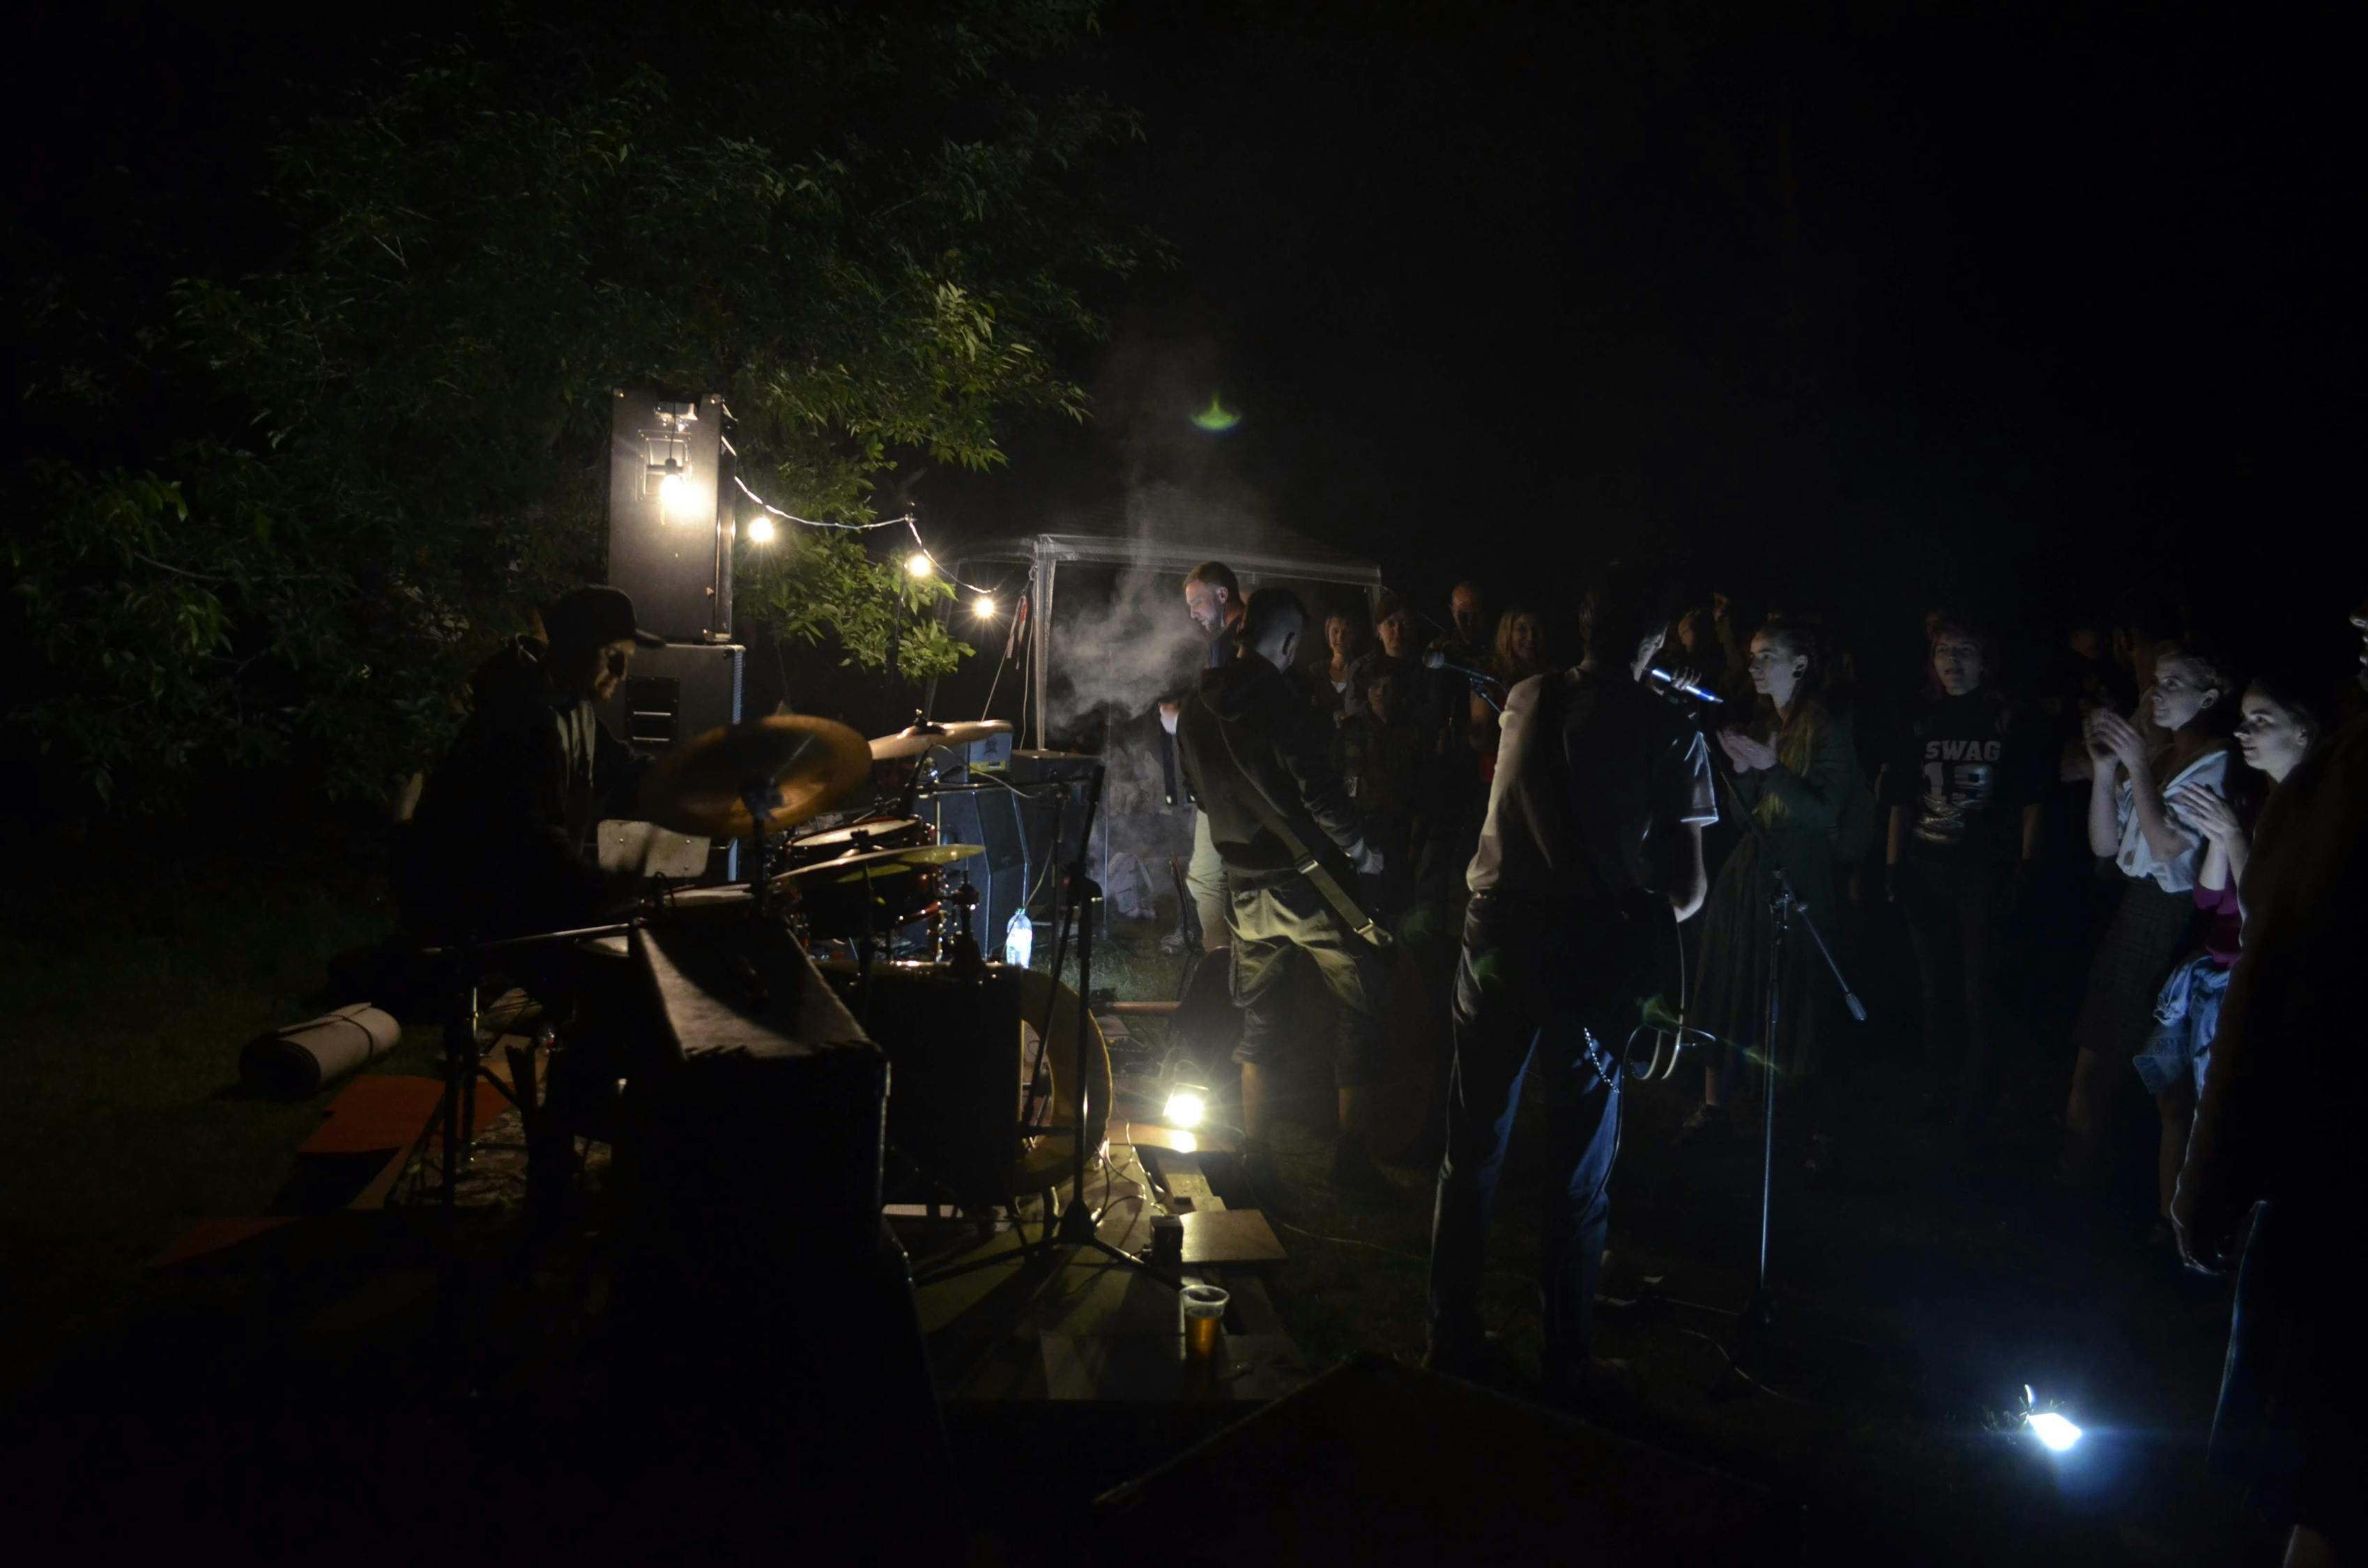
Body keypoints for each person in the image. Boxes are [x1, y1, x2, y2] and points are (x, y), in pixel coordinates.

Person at [1426, 565, 1714, 1404]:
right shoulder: (1670, 728)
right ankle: (1566, 1359)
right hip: (1585, 946)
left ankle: (1448, 1334)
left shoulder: (1528, 697)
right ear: (1655, 639)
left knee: (1470, 1147)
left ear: (1582, 627)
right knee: (1578, 1163)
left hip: (1495, 932)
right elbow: (1689, 890)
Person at [2174, 596, 2368, 1568]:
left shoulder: (2336, 788)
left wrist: (2212, 1176)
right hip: (2335, 1169)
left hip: (2338, 1176)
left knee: (2331, 1477)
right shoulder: (2324, 789)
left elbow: (2270, 981)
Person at [1175, 587, 1392, 1192]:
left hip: (1245, 887)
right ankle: (1351, 1158)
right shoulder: (1282, 705)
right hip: (1307, 883)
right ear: (1292, 641)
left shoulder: (1193, 708)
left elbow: (1196, 793)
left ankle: (1257, 1158)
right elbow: (1321, 799)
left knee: (1261, 1019)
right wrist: (1365, 852)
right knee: (1360, 1004)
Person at [2132, 678, 2321, 1238]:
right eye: (2243, 718)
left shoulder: (2312, 817)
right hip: (2215, 978)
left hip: (2260, 988)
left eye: (2261, 720)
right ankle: (2174, 1232)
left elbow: (2269, 920)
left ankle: (2221, 1243)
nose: (2243, 731)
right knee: (2177, 1103)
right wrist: (2221, 836)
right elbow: (2210, 900)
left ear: (2303, 731)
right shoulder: (2257, 802)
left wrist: (2234, 840)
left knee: (2229, 1120)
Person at [1679, 620, 1862, 1158]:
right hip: (1749, 873)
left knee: (1796, 994)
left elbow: (1824, 814)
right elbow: (1746, 819)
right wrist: (1742, 772)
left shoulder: (1828, 729)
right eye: (1752, 656)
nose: (1755, 667)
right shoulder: (1764, 723)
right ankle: (1715, 1104)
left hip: (1800, 873)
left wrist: (1771, 768)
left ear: (1798, 665)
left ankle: (1801, 1120)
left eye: (1767, 657)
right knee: (1728, 981)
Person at [399, 584, 664, 953]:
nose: (621, 671)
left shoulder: (575, 710)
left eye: (627, 658)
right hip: (470, 923)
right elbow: (532, 849)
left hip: (520, 905)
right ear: (575, 646)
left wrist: (698, 778)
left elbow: (622, 771)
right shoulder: (520, 716)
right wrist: (607, 887)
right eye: (612, 656)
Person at [2059, 642, 2234, 1197]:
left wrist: (2134, 765)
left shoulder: (2215, 761)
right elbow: (2105, 845)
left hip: (2173, 919)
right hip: (2134, 911)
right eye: (2155, 682)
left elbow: (2165, 849)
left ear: (2208, 697)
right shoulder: (2158, 757)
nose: (2157, 693)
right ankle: (2078, 1190)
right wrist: (2105, 770)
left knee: (2167, 1084)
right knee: (2093, 1058)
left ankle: (2168, 1214)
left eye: (2173, 683)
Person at [1882, 615, 2047, 1139]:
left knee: (1981, 990)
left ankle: (1978, 1098)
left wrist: (2026, 865)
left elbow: (2030, 798)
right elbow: (1901, 798)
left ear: (1984, 660)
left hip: (1984, 872)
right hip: (1925, 866)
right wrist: (1893, 865)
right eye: (1943, 652)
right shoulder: (1921, 717)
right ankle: (1941, 1086)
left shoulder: (2006, 719)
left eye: (1963, 651)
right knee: (1936, 989)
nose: (1951, 661)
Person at [1160, 561, 1248, 954]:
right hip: (1226, 784)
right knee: (1212, 876)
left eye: (1197, 602)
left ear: (1222, 594)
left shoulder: (1235, 643)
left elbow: (1230, 716)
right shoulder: (1236, 639)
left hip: (1231, 785)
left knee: (1211, 878)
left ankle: (1221, 963)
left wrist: (1181, 721)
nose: (1193, 613)